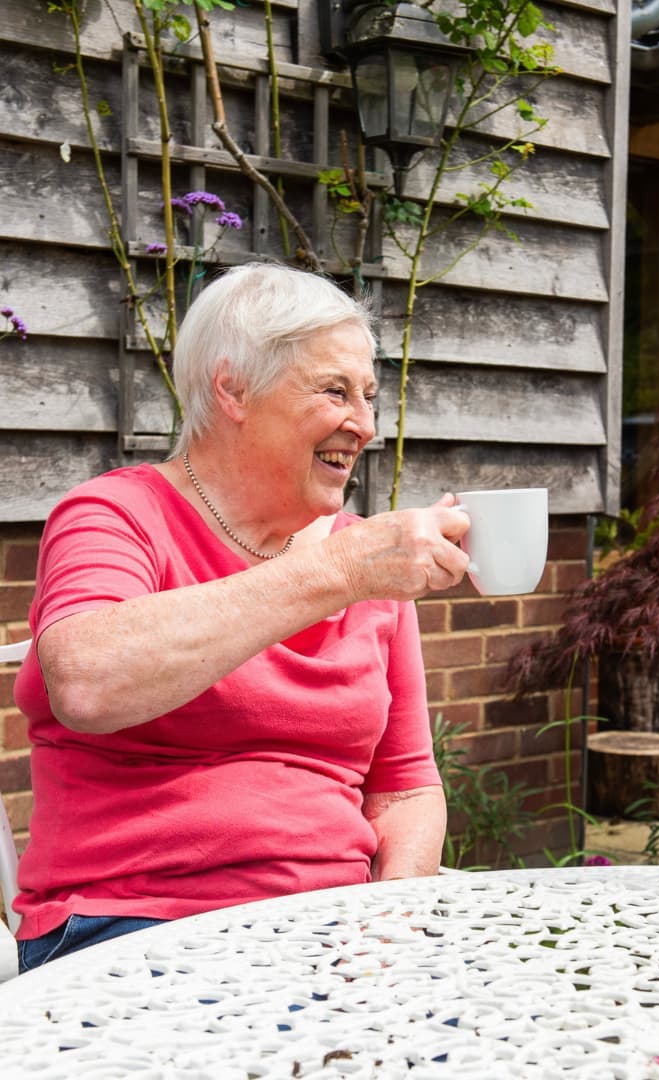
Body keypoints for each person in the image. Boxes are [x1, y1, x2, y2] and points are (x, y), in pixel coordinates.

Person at [13, 262, 473, 970]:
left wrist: (393, 923)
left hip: (335, 929)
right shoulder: (116, 516)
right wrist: (340, 573)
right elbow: (86, 682)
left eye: (369, 396)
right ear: (232, 388)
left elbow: (406, 785)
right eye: (334, 391)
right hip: (133, 925)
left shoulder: (368, 560)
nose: (366, 424)